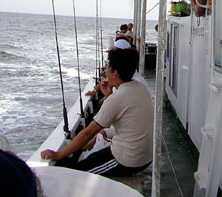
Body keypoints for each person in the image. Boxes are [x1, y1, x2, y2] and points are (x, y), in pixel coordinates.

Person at [41, 49, 154, 177]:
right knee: (92, 158)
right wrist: (108, 95)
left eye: (107, 68)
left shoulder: (117, 99)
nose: (105, 71)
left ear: (115, 73)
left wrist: (59, 155)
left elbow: (88, 132)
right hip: (145, 156)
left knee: (76, 175)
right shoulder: (140, 88)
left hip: (129, 160)